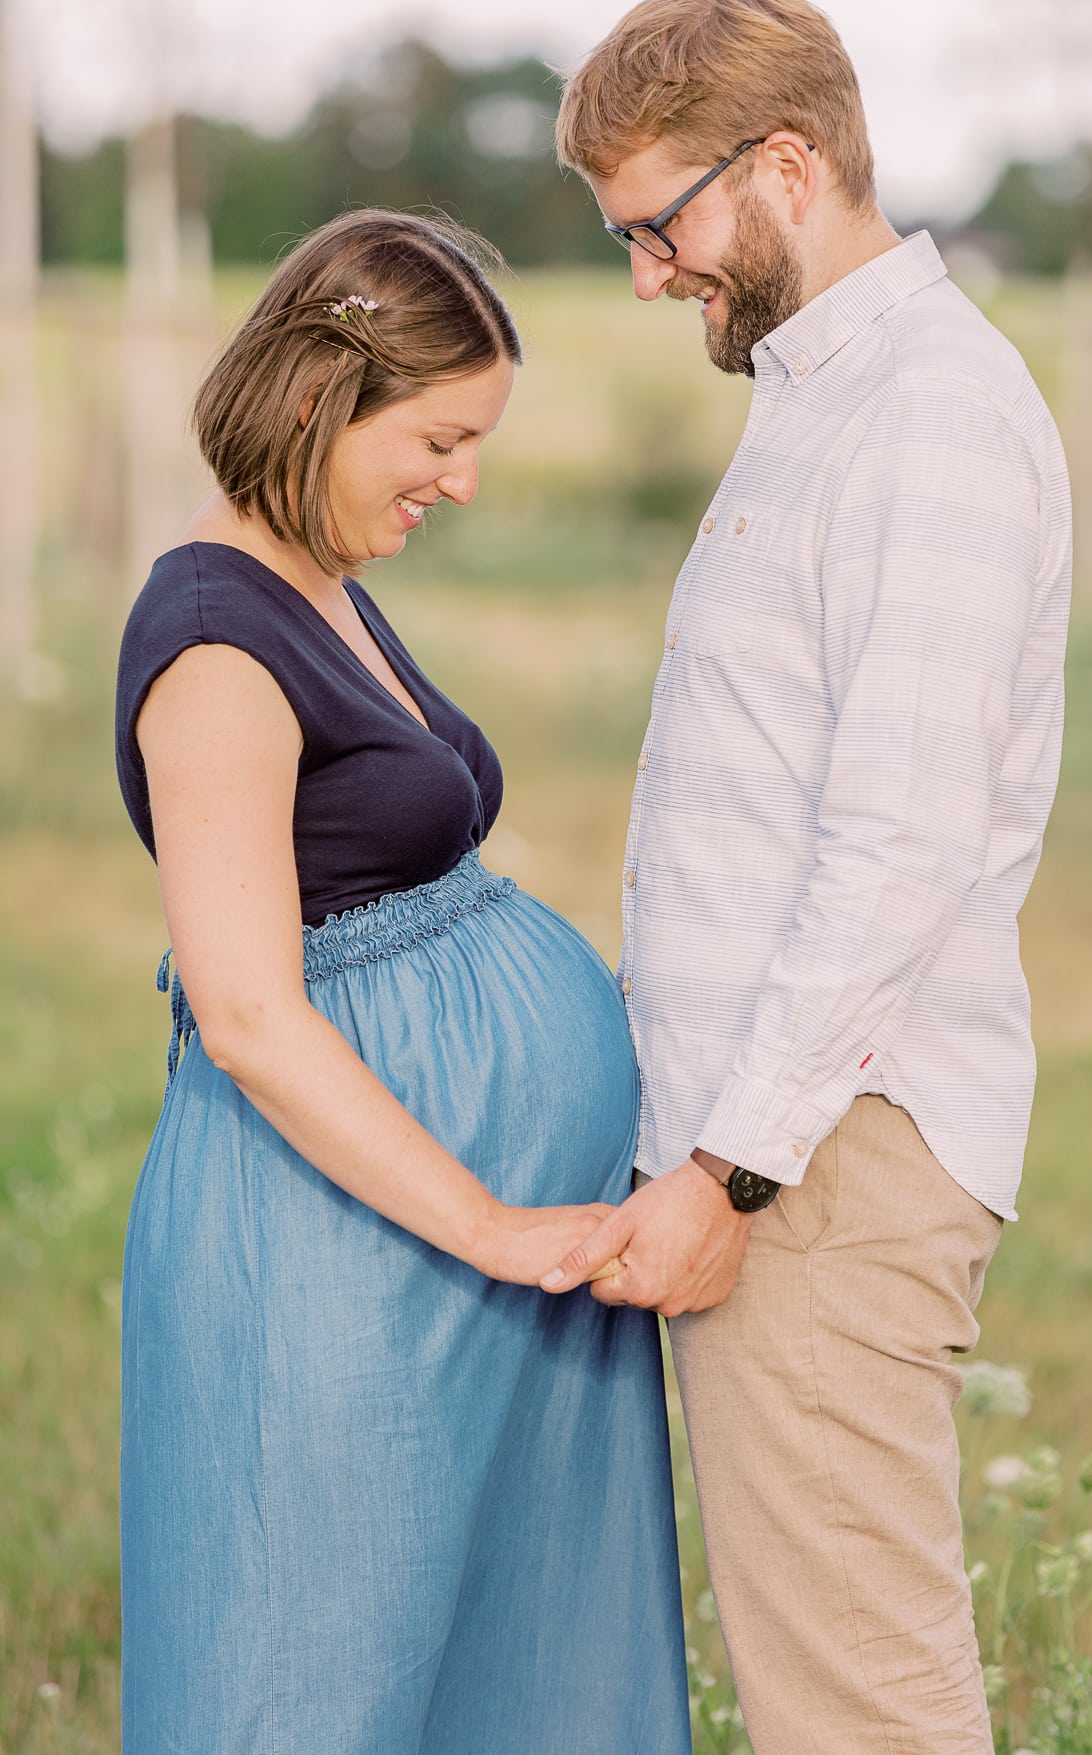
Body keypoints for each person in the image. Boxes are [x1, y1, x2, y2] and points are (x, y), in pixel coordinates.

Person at [547, 4, 1073, 1751]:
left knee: (859, 1705)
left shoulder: (927, 416)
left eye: (658, 224)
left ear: (785, 167)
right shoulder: (819, 398)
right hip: (785, 1151)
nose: (644, 275)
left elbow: (895, 849)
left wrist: (725, 1168)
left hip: (818, 1166)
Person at [113, 209, 690, 1755]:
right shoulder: (213, 645)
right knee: (313, 1667)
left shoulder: (316, 586)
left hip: (453, 1271)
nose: (463, 479)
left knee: (491, 1669)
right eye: (439, 437)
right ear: (319, 397)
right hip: (347, 1256)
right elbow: (244, 1009)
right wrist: (492, 1222)